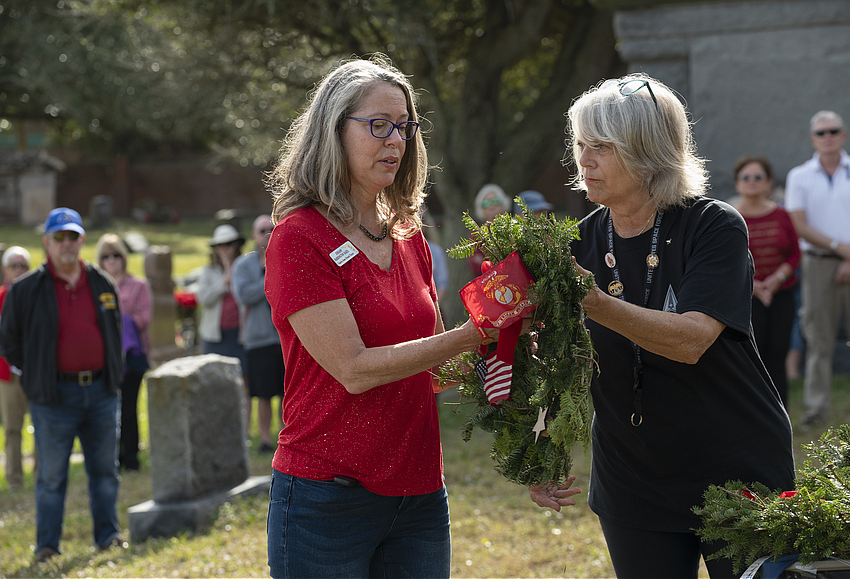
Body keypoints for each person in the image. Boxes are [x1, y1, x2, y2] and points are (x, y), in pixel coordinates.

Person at [528, 75, 794, 579]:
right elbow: (558, 361)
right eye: (580, 144)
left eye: (602, 146)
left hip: (736, 471)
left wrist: (594, 301)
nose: (584, 160)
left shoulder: (714, 225)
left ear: (648, 152)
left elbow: (692, 340)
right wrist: (542, 450)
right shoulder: (577, 243)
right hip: (632, 479)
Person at [263, 54, 499, 579]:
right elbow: (354, 368)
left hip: (419, 495)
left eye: (405, 127)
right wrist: (470, 335)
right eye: (378, 125)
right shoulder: (299, 238)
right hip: (327, 497)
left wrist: (507, 340)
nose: (396, 140)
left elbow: (438, 368)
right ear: (333, 130)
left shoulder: (407, 232)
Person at [0, 208, 124, 563]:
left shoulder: (102, 282)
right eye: (59, 237)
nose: (66, 243)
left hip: (101, 393)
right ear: (47, 242)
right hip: (53, 397)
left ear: (82, 240)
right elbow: (8, 340)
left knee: (105, 471)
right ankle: (47, 546)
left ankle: (108, 536)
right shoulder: (26, 289)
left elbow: (114, 332)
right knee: (51, 477)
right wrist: (34, 376)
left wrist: (114, 376)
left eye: (73, 236)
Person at [785, 110, 850, 429]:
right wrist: (841, 249)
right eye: (822, 132)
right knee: (818, 339)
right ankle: (815, 412)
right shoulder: (800, 175)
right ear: (813, 138)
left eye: (833, 131)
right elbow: (798, 225)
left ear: (843, 134)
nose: (828, 137)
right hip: (818, 264)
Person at [731, 156, 800, 408]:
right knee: (751, 361)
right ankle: (753, 416)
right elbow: (726, 258)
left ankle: (781, 416)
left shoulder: (782, 214)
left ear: (769, 182)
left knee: (777, 358)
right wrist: (755, 287)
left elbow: (795, 254)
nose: (752, 181)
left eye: (758, 177)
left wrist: (775, 280)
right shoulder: (729, 217)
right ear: (737, 183)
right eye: (745, 177)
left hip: (781, 294)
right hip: (745, 299)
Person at [96, 233, 152, 471]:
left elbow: (144, 319)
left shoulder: (138, 285)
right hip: (105, 357)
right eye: (106, 256)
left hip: (133, 356)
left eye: (116, 255)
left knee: (128, 407)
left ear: (124, 257)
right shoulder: (96, 287)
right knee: (109, 408)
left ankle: (131, 457)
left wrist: (119, 317)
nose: (111, 260)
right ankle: (113, 457)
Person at [231, 214, 284, 454]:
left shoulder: (285, 257)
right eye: (262, 230)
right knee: (263, 393)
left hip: (284, 338)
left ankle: (284, 435)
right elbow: (244, 295)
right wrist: (269, 278)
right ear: (254, 234)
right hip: (257, 338)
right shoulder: (243, 265)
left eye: (272, 228)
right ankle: (264, 439)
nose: (267, 233)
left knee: (286, 392)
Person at [0, 246, 36, 489]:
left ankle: (43, 474)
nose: (19, 270)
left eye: (23, 265)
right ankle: (15, 480)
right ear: (5, 270)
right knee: (12, 428)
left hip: (36, 372)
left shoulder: (39, 295)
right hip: (8, 374)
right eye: (14, 266)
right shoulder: (0, 297)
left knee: (43, 425)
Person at [197, 224, 246, 372]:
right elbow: (203, 299)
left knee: (242, 375)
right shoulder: (208, 271)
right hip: (214, 335)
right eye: (220, 245)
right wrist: (223, 283)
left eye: (228, 244)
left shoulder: (245, 268)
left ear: (236, 245)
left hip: (240, 334)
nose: (225, 248)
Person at [468, 183, 511, 276]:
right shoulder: (477, 233)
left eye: (495, 201)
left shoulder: (512, 226)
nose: (491, 206)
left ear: (503, 203)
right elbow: (475, 267)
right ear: (481, 209)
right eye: (486, 203)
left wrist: (486, 263)